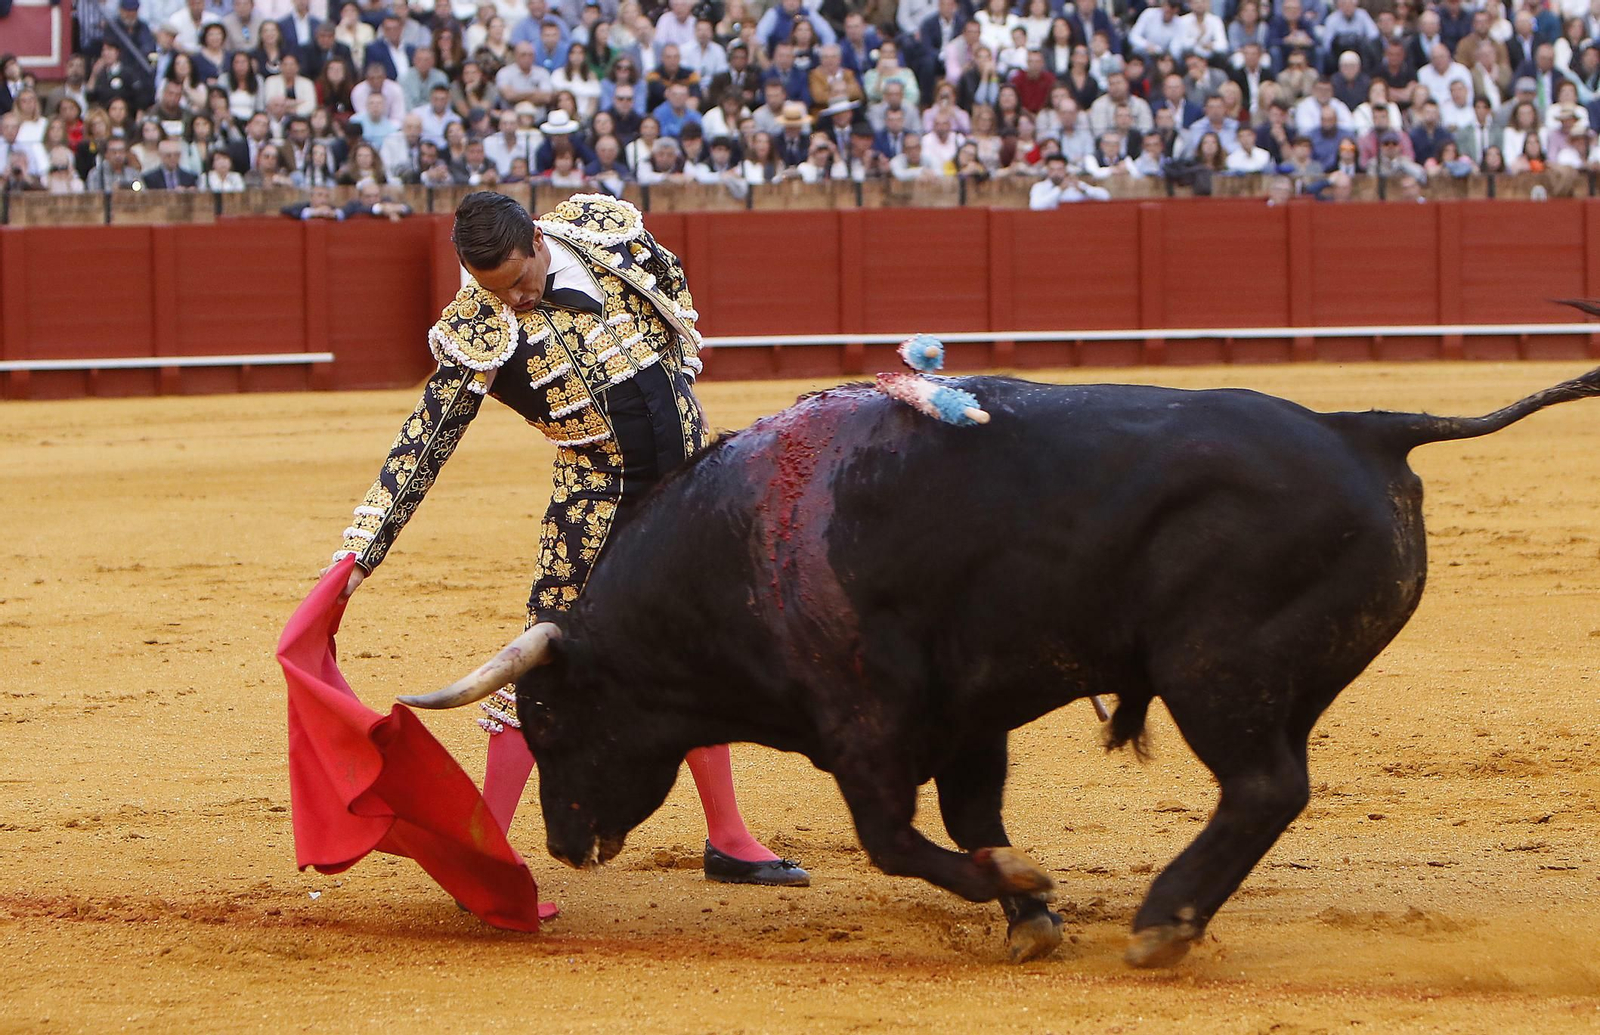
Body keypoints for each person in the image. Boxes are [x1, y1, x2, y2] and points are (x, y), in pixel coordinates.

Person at [324, 192, 811, 887]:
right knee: (540, 663)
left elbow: (668, 281)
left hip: (688, 490)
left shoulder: (600, 233)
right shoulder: (479, 327)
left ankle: (729, 836)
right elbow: (423, 442)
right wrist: (360, 552)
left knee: (696, 647)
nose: (515, 301)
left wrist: (679, 375)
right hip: (595, 504)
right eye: (494, 289)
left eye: (521, 281)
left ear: (537, 239)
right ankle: (483, 853)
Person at [1029, 152, 1110, 207]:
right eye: (1052, 169)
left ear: (1065, 170)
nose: (1056, 173)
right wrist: (1059, 189)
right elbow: (1035, 206)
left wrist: (1084, 190)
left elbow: (1105, 196)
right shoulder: (1039, 187)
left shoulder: (1075, 186)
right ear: (1047, 170)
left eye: (1059, 169)